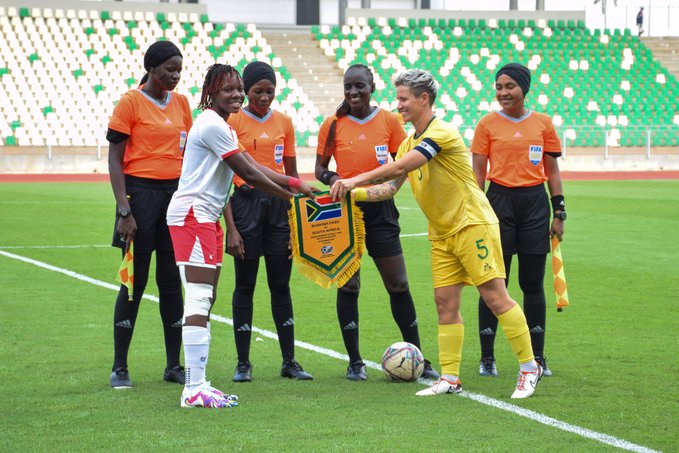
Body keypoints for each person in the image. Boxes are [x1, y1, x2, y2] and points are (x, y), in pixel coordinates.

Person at [330, 69, 543, 399]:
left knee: (495, 297)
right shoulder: (407, 142)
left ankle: (530, 367)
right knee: (445, 304)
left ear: (423, 99)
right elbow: (389, 188)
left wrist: (354, 180)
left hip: (472, 225)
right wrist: (350, 194)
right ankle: (450, 377)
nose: (398, 104)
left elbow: (401, 168)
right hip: (442, 233)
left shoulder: (441, 133)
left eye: (403, 98)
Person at [166, 63, 316, 408]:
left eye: (237, 88)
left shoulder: (220, 124)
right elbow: (247, 172)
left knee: (204, 299)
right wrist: (291, 197)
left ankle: (198, 384)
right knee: (199, 300)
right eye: (227, 89)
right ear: (210, 93)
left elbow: (256, 164)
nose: (235, 94)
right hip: (193, 216)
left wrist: (295, 182)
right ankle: (193, 388)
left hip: (203, 217)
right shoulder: (212, 125)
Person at [316, 63, 439, 381]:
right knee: (349, 284)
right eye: (348, 87)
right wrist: (333, 178)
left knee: (398, 283)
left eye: (360, 86)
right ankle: (355, 362)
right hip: (346, 211)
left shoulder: (390, 121)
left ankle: (418, 357)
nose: (354, 93)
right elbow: (319, 168)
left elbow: (401, 165)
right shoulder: (332, 124)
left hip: (382, 210)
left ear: (372, 87)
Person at [471, 63, 565, 379]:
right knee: (495, 283)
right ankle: (487, 358)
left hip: (535, 205)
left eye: (510, 86)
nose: (503, 92)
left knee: (532, 284)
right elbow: (478, 175)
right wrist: (476, 213)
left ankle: (538, 357)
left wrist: (559, 212)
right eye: (499, 86)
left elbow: (552, 172)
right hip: (498, 203)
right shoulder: (486, 124)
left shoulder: (543, 123)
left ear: (524, 88)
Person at [107, 40, 191, 389]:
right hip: (139, 197)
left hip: (174, 197)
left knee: (171, 283)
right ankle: (120, 367)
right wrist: (123, 209)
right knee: (134, 282)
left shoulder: (183, 103)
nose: (175, 76)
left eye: (179, 70)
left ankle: (174, 366)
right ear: (152, 68)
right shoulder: (130, 102)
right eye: (170, 69)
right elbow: (114, 159)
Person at [224, 61, 312, 382]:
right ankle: (243, 363)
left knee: (280, 285)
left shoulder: (285, 123)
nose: (264, 97)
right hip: (245, 205)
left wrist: (296, 223)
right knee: (245, 284)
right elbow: (224, 179)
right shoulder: (231, 121)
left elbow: (291, 176)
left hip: (278, 207)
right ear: (246, 91)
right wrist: (231, 228)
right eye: (257, 91)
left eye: (269, 91)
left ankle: (289, 361)